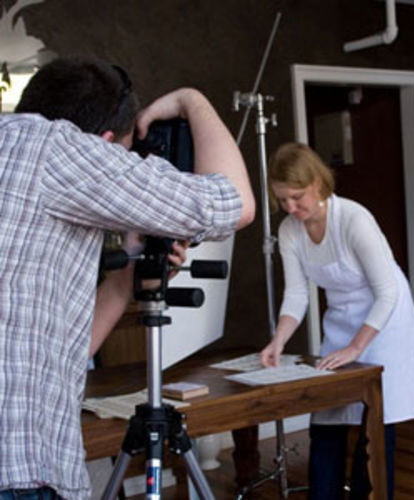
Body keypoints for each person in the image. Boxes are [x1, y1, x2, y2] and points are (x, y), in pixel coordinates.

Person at [0, 56, 255, 500]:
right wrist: (192, 100)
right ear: (101, 145)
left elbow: (54, 351)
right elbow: (233, 202)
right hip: (17, 471)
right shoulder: (57, 149)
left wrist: (125, 279)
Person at [260, 143, 414, 499]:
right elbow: (297, 295)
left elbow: (387, 292)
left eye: (297, 197)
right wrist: (278, 341)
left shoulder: (353, 219)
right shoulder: (290, 230)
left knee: (375, 427)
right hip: (341, 320)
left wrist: (356, 347)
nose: (291, 208)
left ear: (318, 183)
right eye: (282, 199)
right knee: (326, 421)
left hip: (386, 321)